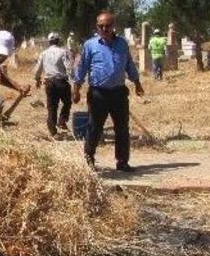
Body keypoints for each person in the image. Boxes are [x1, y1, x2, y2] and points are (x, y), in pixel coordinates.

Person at [72, 11, 144, 172]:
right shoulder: (90, 45)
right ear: (97, 27)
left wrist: (137, 83)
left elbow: (129, 65)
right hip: (98, 94)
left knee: (122, 128)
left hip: (118, 93)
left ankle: (122, 162)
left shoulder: (122, 44)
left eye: (108, 26)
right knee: (94, 127)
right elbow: (82, 67)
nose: (104, 29)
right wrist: (76, 88)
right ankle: (89, 161)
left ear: (113, 27)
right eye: (101, 26)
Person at [34, 31, 72, 136]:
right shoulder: (63, 52)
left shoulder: (44, 53)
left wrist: (37, 79)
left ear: (49, 42)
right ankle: (62, 120)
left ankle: (53, 132)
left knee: (52, 107)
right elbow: (69, 68)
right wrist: (71, 80)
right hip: (61, 82)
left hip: (49, 83)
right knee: (67, 102)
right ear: (58, 41)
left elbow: (38, 69)